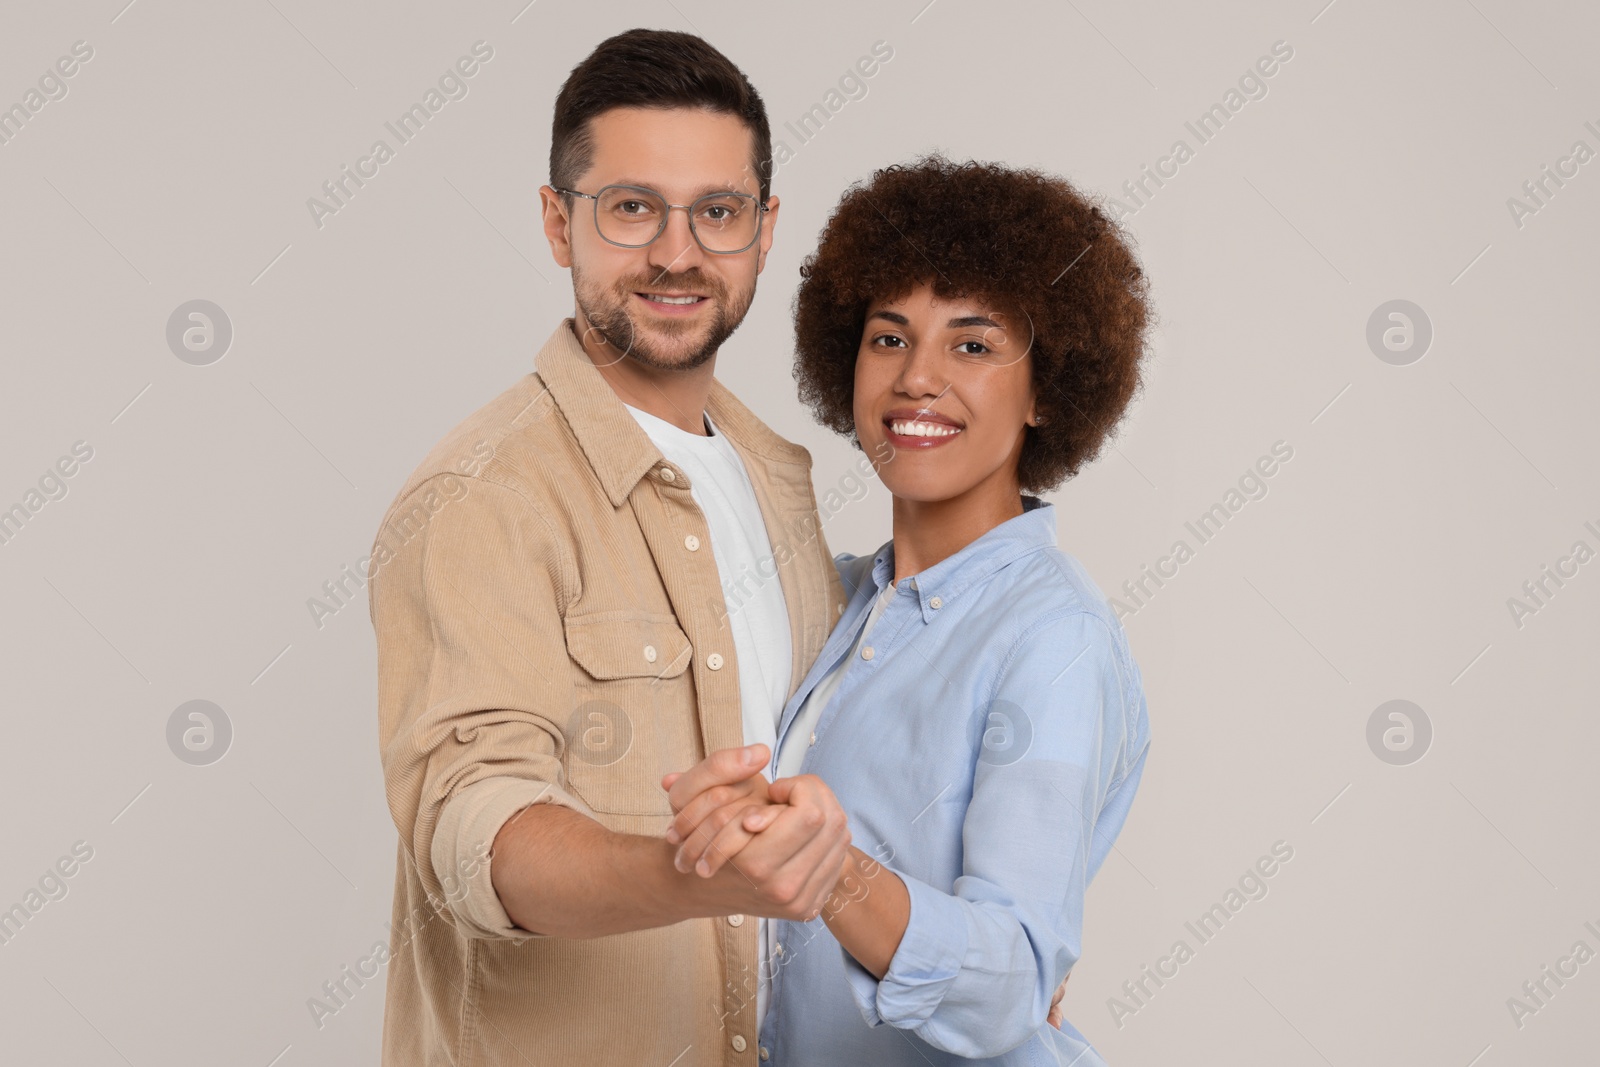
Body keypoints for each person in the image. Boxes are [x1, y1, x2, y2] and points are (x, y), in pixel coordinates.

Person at [367, 29, 859, 1064]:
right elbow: (477, 833)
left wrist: (978, 955)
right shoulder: (481, 498)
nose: (677, 253)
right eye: (631, 207)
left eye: (716, 212)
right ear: (558, 222)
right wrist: (684, 873)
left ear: (764, 229)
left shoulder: (783, 490)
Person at [663, 155, 1154, 1064]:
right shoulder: (836, 600)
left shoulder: (1055, 640)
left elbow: (1011, 983)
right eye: (889, 338)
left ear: (1046, 389)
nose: (917, 378)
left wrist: (833, 873)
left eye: (972, 345)